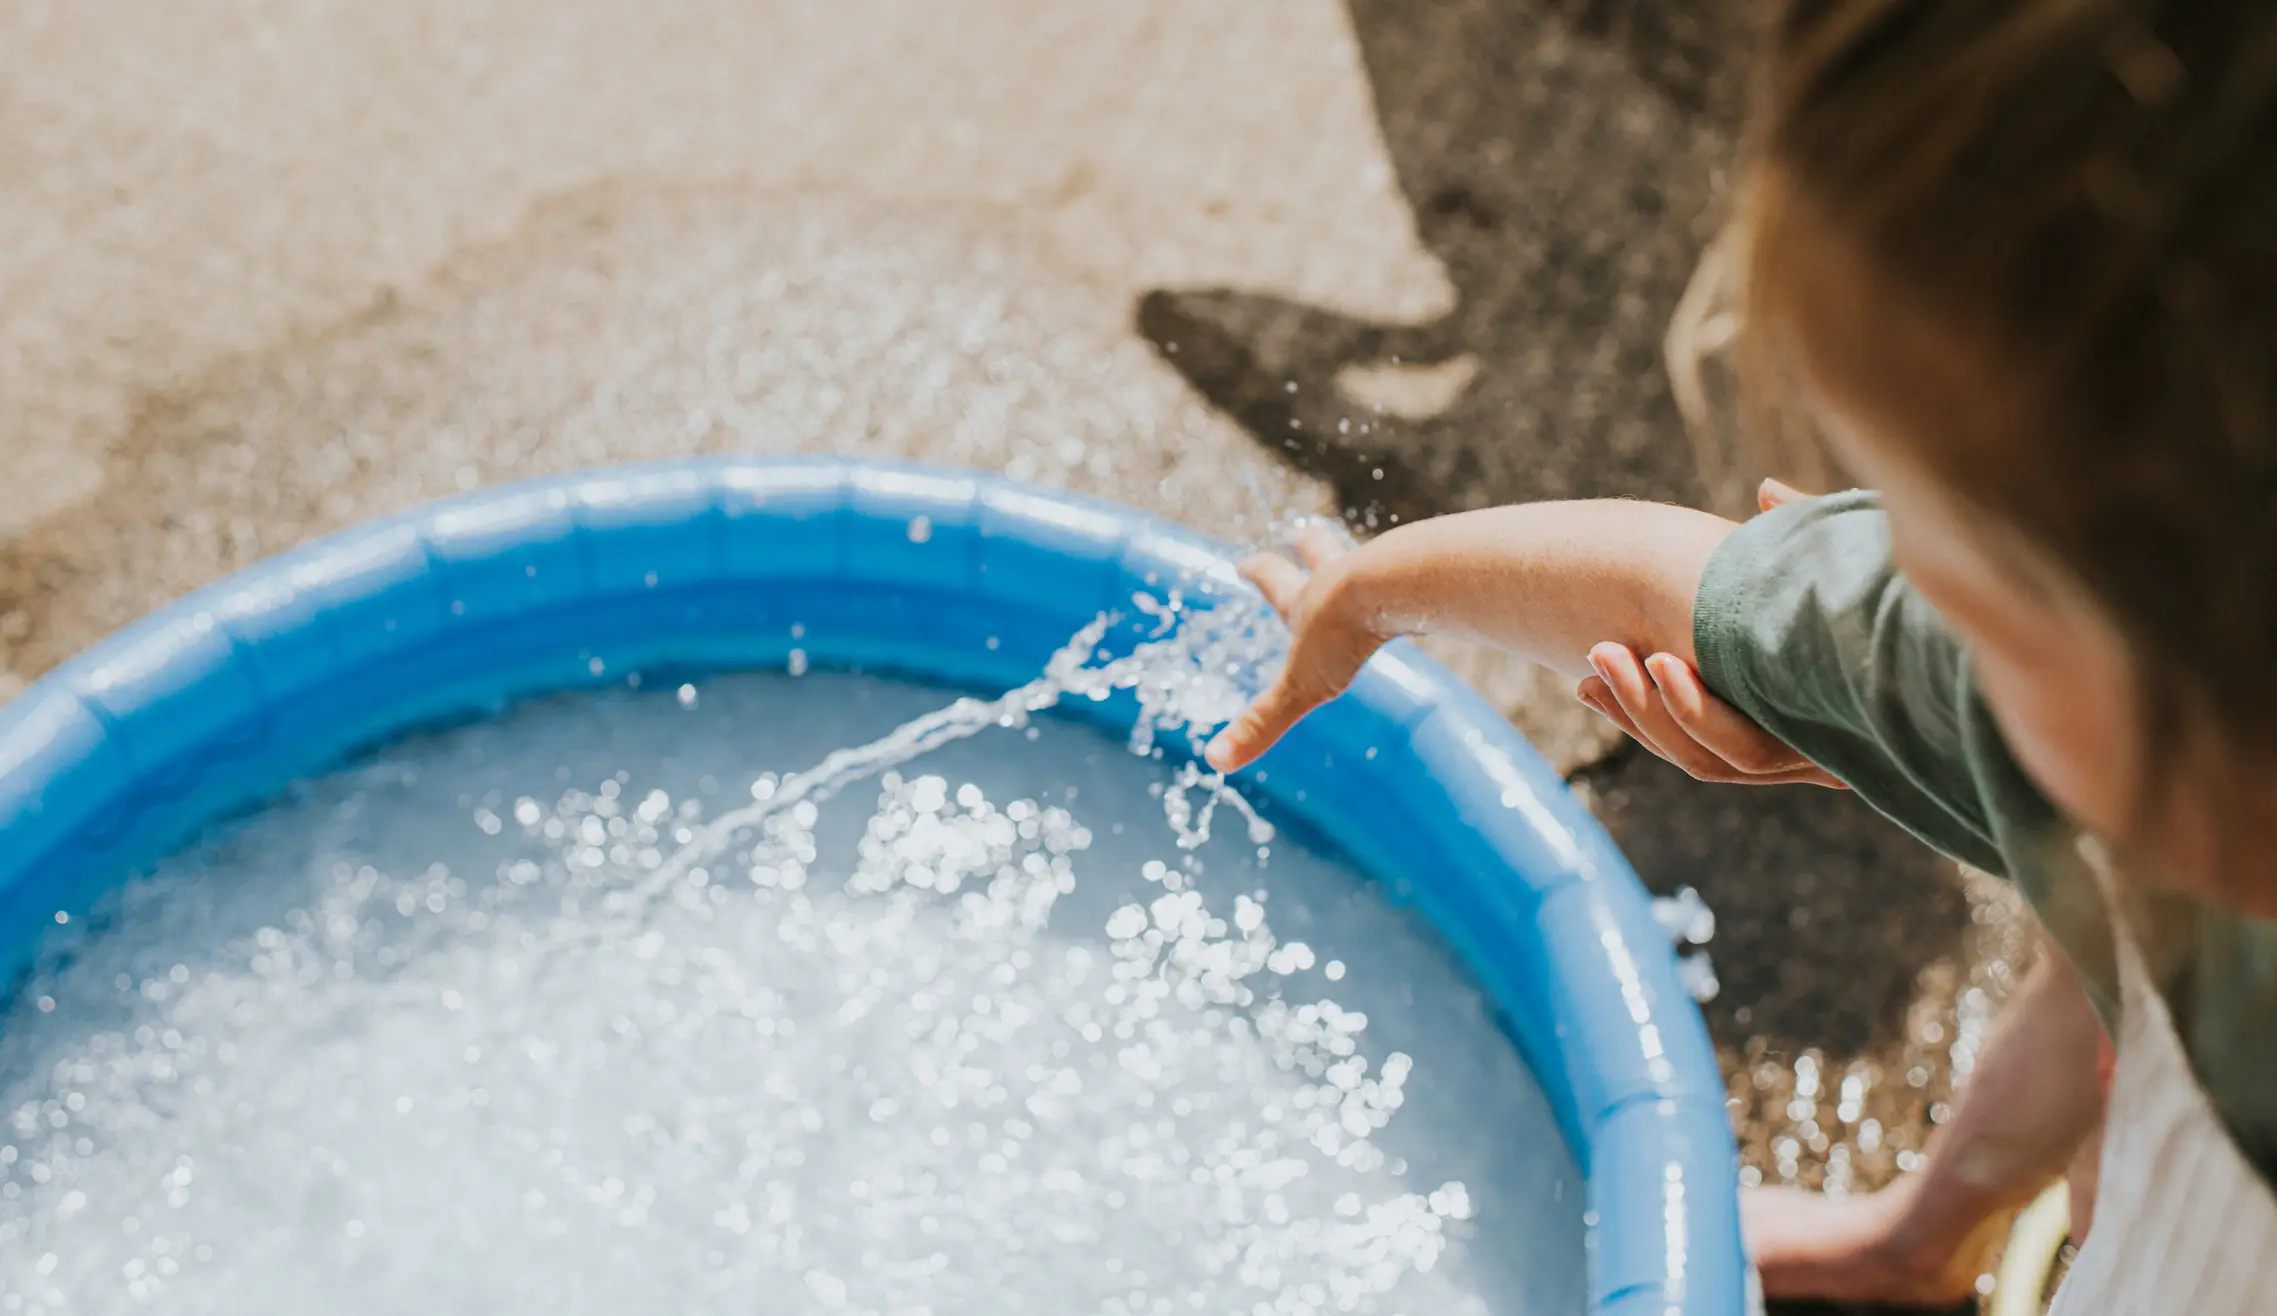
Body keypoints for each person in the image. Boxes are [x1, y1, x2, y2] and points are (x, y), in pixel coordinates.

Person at [1201, 1, 2277, 1309]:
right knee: (2100, 965)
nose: (1912, 617)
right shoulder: (2140, 703)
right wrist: (1368, 597)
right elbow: (1679, 588)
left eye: (1964, 598)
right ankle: (1922, 1241)